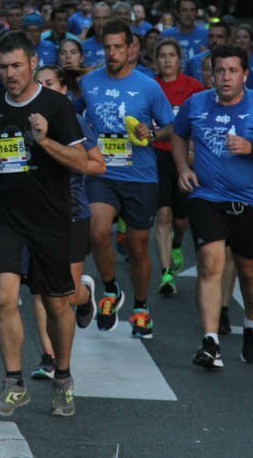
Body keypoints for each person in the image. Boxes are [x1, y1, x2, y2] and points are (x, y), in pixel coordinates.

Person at [0, 31, 87, 417]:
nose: (10, 74)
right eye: (3, 68)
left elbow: (81, 162)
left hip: (52, 219)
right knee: (3, 295)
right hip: (8, 218)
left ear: (33, 63)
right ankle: (14, 384)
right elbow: (2, 149)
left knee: (57, 305)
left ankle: (63, 378)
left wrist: (45, 140)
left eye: (17, 65)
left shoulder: (56, 105)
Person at [172, 44, 253, 369]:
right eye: (219, 70)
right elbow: (179, 135)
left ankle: (252, 323)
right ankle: (210, 341)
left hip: (249, 200)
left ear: (245, 75)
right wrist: (183, 168)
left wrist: (251, 148)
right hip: (206, 196)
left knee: (248, 269)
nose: (225, 77)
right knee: (210, 264)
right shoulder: (196, 104)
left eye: (232, 71)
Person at [82, 20, 175, 337]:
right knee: (97, 230)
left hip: (140, 175)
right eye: (106, 47)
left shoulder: (148, 86)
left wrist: (151, 133)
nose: (111, 53)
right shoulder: (89, 83)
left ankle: (140, 306)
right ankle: (110, 291)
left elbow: (170, 127)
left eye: (118, 47)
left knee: (137, 248)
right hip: (103, 171)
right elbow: (72, 114)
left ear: (131, 48)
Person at [29, 65, 104, 380]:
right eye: (39, 85)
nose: (44, 90)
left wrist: (67, 159)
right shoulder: (26, 121)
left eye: (50, 84)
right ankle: (49, 356)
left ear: (62, 90)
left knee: (65, 295)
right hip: (35, 216)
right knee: (38, 290)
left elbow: (98, 166)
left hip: (72, 212)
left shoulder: (74, 122)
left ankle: (84, 295)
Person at [152, 39, 203, 297]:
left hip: (185, 158)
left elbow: (200, 121)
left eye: (172, 55)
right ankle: (166, 274)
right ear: (156, 60)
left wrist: (194, 150)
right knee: (163, 215)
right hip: (158, 157)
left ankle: (177, 243)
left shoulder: (193, 87)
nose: (167, 60)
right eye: (162, 55)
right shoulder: (151, 86)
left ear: (179, 59)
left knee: (181, 220)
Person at [161, 0, 208, 64]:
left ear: (197, 12)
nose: (188, 14)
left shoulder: (207, 34)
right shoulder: (165, 36)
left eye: (192, 10)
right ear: (177, 12)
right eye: (184, 10)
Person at [80, 3, 111, 68]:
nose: (101, 23)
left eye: (105, 18)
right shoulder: (83, 47)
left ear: (111, 20)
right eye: (97, 18)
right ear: (92, 20)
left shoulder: (119, 46)